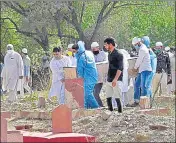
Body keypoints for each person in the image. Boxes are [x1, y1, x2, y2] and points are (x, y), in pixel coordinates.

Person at [71, 41, 99, 109]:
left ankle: (96, 108)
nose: (74, 53)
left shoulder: (82, 57)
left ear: (78, 50)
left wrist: (79, 79)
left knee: (87, 94)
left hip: (88, 77)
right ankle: (87, 109)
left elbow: (80, 70)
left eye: (75, 51)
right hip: (92, 76)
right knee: (86, 94)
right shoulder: (88, 52)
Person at [130, 37, 152, 107]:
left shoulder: (142, 49)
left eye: (136, 44)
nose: (135, 46)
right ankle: (137, 101)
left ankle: (145, 103)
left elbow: (139, 60)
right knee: (137, 85)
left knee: (143, 86)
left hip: (145, 70)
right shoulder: (142, 48)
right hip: (142, 70)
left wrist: (135, 68)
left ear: (139, 43)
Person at [104, 37, 123, 113]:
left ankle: (120, 112)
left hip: (116, 79)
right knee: (108, 97)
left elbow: (120, 68)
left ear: (110, 44)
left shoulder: (118, 54)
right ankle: (110, 112)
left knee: (117, 96)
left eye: (106, 45)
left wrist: (115, 79)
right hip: (109, 78)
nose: (105, 46)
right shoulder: (109, 54)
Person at [91, 42, 107, 107]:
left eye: (95, 49)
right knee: (92, 94)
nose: (94, 50)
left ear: (98, 48)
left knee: (96, 93)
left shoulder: (103, 54)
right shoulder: (90, 55)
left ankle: (101, 106)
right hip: (93, 77)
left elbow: (105, 64)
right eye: (92, 49)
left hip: (100, 77)